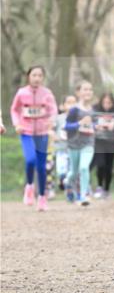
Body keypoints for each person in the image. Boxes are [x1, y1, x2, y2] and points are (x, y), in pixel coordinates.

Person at [10, 65, 58, 211]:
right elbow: (14, 109)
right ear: (28, 76)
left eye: (39, 75)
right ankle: (30, 186)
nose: (37, 78)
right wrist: (17, 124)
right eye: (34, 75)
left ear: (43, 78)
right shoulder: (21, 93)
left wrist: (52, 121)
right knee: (30, 160)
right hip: (26, 132)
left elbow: (53, 110)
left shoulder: (47, 93)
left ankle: (42, 198)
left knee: (42, 167)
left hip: (42, 133)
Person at [64, 79, 97, 206]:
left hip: (88, 143)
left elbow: (93, 123)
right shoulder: (74, 110)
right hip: (74, 144)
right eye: (85, 89)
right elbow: (67, 126)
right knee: (73, 172)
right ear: (78, 92)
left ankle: (83, 196)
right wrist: (79, 123)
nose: (88, 92)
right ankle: (68, 184)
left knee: (84, 167)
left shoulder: (93, 110)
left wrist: (96, 126)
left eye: (90, 89)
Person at [92, 92, 114, 198]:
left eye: (109, 102)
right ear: (101, 102)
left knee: (108, 167)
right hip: (99, 141)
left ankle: (107, 189)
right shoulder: (95, 111)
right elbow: (88, 122)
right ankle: (99, 186)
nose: (107, 104)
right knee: (100, 164)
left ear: (113, 103)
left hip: (111, 142)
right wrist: (96, 126)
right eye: (105, 102)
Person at [54, 94, 77, 191]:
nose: (71, 105)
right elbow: (50, 129)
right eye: (69, 103)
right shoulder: (59, 118)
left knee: (72, 171)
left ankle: (70, 190)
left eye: (74, 103)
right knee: (61, 171)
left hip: (74, 149)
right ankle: (61, 179)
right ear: (63, 106)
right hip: (61, 149)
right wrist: (53, 136)